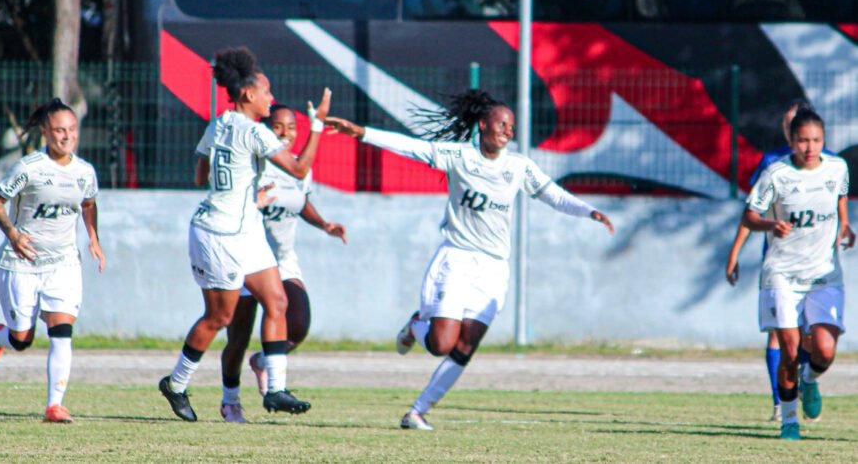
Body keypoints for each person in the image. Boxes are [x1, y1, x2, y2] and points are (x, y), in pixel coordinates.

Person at [325, 89, 614, 430]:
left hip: (493, 270)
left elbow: (553, 194)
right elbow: (411, 147)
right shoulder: (458, 156)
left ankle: (416, 412)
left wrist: (589, 211)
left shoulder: (518, 166)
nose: (508, 131)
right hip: (457, 259)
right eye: (501, 124)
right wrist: (361, 132)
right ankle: (416, 325)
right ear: (483, 124)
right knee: (440, 344)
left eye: (511, 126)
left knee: (465, 345)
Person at [158, 46, 329, 422]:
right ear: (248, 94)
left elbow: (200, 176)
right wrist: (317, 126)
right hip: (218, 232)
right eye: (266, 91)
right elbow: (299, 169)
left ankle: (276, 389)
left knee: (277, 301)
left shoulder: (217, 124)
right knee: (219, 318)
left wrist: (236, 185)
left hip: (244, 228)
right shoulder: (253, 131)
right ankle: (176, 383)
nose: (271, 97)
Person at [217, 103, 347, 423]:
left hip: (283, 260)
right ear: (265, 129)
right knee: (238, 337)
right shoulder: (255, 164)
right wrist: (254, 201)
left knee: (298, 322)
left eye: (291, 127)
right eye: (278, 126)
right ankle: (230, 401)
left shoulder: (299, 167)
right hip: (246, 257)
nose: (285, 133)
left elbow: (301, 202)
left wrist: (325, 225)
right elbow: (230, 200)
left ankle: (264, 362)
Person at [0, 98, 105, 423]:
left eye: (72, 129)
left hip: (63, 263)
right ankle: (0, 337)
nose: (67, 136)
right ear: (46, 132)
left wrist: (93, 238)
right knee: (21, 339)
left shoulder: (84, 172)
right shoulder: (29, 168)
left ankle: (54, 405)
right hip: (21, 263)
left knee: (61, 330)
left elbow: (88, 203)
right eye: (60, 130)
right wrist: (13, 234)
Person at [741, 108, 854, 440]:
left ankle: (809, 380)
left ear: (824, 139)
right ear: (791, 141)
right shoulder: (776, 174)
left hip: (823, 274)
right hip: (783, 274)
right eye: (803, 140)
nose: (810, 147)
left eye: (816, 140)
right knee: (789, 350)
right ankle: (789, 420)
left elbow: (840, 195)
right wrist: (770, 224)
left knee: (825, 350)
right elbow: (749, 216)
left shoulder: (837, 167)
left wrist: (844, 224)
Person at [725, 100, 832, 422]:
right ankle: (780, 402)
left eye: (794, 122)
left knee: (812, 337)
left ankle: (807, 382)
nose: (789, 128)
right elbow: (752, 211)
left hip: (817, 266)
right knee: (780, 334)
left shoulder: (830, 165)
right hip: (779, 263)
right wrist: (734, 254)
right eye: (786, 123)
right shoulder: (772, 162)